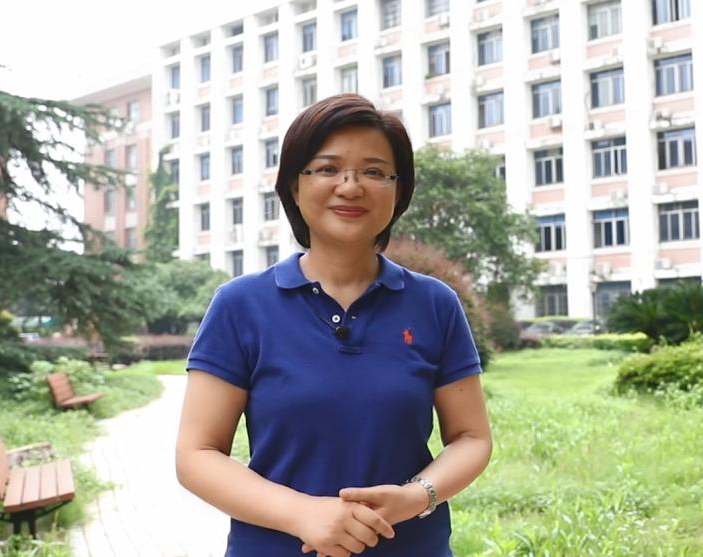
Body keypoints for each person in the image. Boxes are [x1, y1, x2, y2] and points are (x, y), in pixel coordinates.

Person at [176, 93, 493, 557]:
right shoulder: (240, 305)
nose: (350, 187)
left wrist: (415, 496)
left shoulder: (434, 304)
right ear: (294, 185)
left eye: (374, 172)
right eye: (327, 169)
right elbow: (196, 455)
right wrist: (302, 514)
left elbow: (471, 438)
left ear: (398, 190)